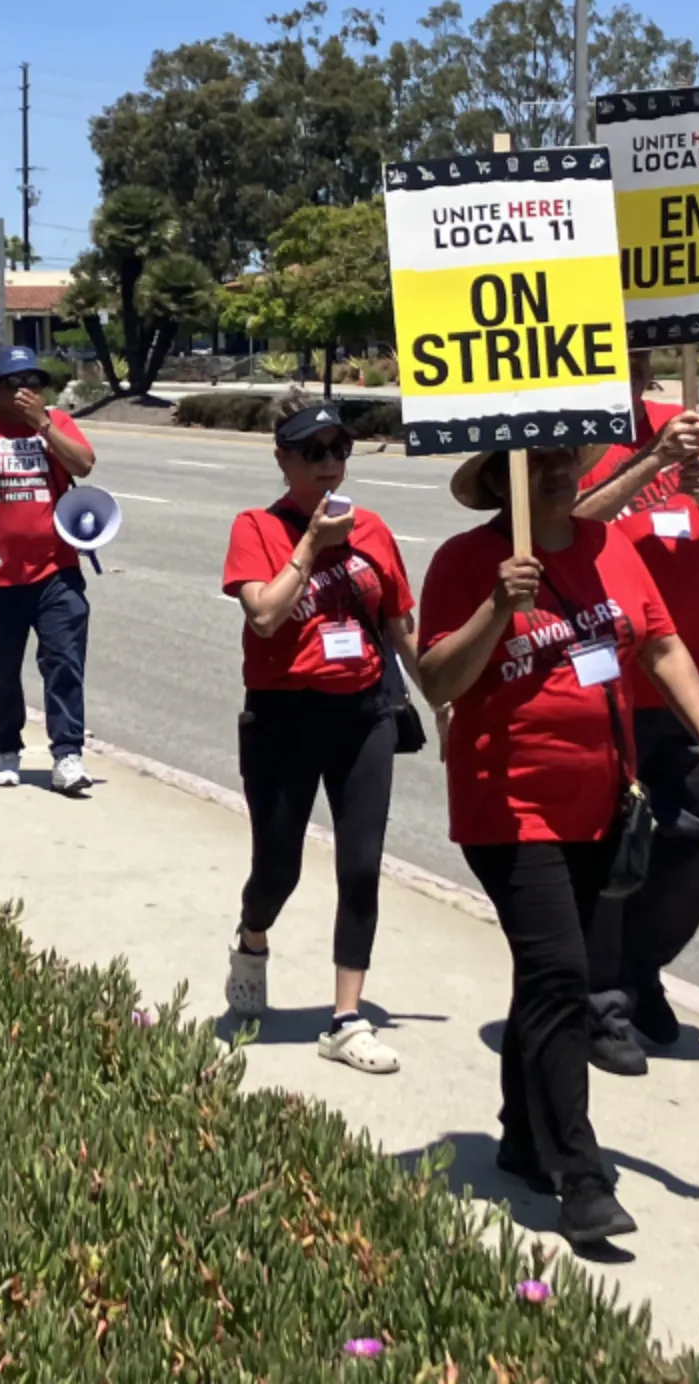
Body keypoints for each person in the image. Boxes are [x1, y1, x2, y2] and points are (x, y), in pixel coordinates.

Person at [418, 442, 699, 1251]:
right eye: (539, 464)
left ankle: (522, 1136)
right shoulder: (467, 562)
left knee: (545, 976)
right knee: (564, 975)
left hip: (601, 804)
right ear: (501, 482)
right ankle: (580, 1175)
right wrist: (497, 608)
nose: (560, 473)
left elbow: (661, 644)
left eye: (566, 459)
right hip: (510, 807)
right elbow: (435, 680)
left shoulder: (612, 548)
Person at [220, 399, 423, 1075]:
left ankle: (345, 1019)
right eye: (314, 452)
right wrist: (312, 546)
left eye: (339, 449)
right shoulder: (257, 528)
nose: (330, 464)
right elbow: (265, 617)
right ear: (283, 458)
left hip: (364, 713)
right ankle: (252, 940)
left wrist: (447, 702)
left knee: (361, 867)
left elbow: (401, 628)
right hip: (284, 717)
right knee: (278, 868)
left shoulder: (377, 531)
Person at [573, 351, 699, 1073]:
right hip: (608, 676)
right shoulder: (574, 440)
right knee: (614, 847)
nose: (635, 367)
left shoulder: (682, 428)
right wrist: (650, 463)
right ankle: (604, 1006)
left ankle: (638, 965)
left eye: (642, 356)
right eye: (620, 353)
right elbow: (573, 524)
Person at [0, 346, 97, 794]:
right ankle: (6, 749)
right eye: (15, 383)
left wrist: (43, 425)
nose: (26, 391)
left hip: (57, 570)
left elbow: (84, 464)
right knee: (1, 668)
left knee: (64, 662)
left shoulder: (57, 424)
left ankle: (67, 755)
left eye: (34, 382)